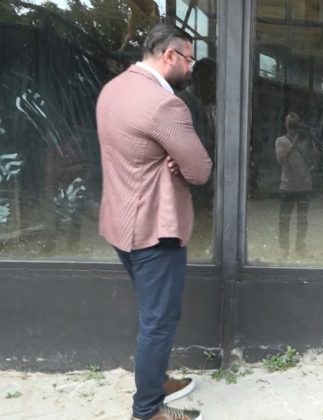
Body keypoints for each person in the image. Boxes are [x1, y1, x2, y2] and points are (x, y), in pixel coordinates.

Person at [96, 24, 212, 420]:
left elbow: (129, 153)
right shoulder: (164, 105)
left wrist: (169, 159)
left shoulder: (112, 90)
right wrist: (178, 163)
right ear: (169, 56)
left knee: (153, 313)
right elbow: (199, 170)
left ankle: (157, 379)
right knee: (158, 321)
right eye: (189, 59)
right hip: (153, 230)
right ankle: (147, 411)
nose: (191, 67)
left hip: (120, 221)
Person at [275, 112, 318, 259]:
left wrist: (313, 142)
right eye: (291, 124)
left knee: (302, 220)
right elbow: (281, 160)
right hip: (287, 187)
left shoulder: (306, 141)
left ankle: (300, 248)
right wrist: (293, 143)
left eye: (295, 124)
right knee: (284, 220)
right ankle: (283, 249)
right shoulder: (280, 141)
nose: (293, 127)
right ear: (286, 125)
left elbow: (315, 159)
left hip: (304, 186)